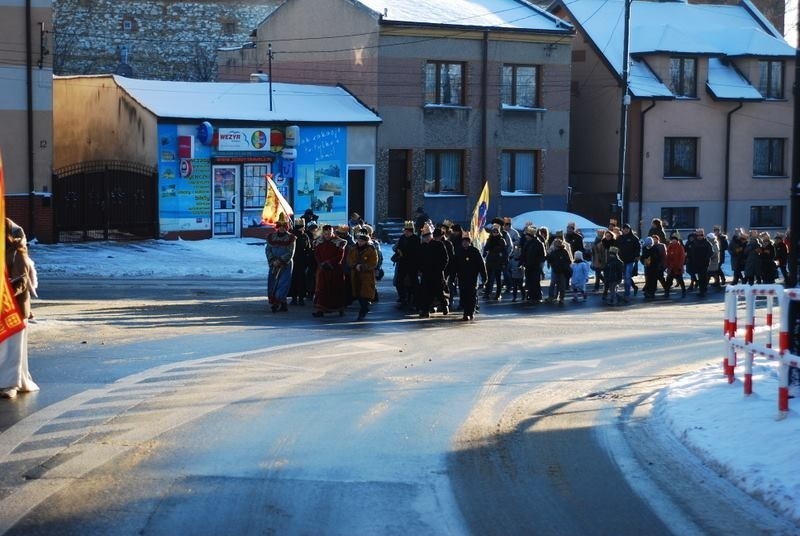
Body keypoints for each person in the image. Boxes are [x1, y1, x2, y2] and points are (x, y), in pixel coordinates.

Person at [0, 221, 39, 399]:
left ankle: (11, 384)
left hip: (14, 308)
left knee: (12, 349)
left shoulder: (17, 253)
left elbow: (22, 282)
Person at [312, 224, 347, 317]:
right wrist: (322, 264)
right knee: (321, 289)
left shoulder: (339, 242)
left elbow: (340, 255)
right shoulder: (318, 242)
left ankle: (340, 308)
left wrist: (329, 263)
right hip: (322, 270)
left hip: (335, 270)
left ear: (332, 232)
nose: (327, 235)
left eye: (329, 233)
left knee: (336, 289)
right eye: (326, 233)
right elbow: (317, 255)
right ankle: (320, 309)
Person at [417, 223, 449, 317]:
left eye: (428, 236)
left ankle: (445, 305)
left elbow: (445, 258)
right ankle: (425, 311)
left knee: (439, 292)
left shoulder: (439, 245)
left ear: (431, 235)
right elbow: (419, 260)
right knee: (426, 292)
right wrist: (421, 269)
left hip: (437, 273)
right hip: (426, 273)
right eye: (424, 236)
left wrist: (440, 269)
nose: (426, 238)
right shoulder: (422, 247)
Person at [265, 215, 296, 312]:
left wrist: (281, 260)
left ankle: (278, 302)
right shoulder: (271, 237)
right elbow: (268, 250)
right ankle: (281, 303)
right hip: (273, 264)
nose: (282, 228)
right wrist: (273, 260)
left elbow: (291, 252)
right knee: (273, 283)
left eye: (284, 226)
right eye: (280, 226)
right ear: (278, 226)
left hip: (285, 265)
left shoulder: (291, 238)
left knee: (283, 284)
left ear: (286, 227)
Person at [455, 232, 487, 321]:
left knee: (472, 295)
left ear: (469, 242)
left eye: (467, 241)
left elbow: (481, 264)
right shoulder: (458, 251)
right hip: (462, 277)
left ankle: (471, 311)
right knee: (464, 295)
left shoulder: (474, 251)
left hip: (472, 277)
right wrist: (454, 275)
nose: (465, 243)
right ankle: (466, 312)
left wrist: (484, 276)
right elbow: (454, 265)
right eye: (463, 241)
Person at [347, 231, 378, 321]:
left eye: (362, 241)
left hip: (367, 276)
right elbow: (349, 259)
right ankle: (364, 308)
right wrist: (354, 265)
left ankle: (363, 311)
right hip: (355, 274)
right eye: (359, 240)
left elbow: (374, 262)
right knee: (357, 294)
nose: (360, 242)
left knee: (365, 294)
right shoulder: (353, 248)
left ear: (366, 241)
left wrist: (363, 266)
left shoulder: (371, 249)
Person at [392, 220, 420, 310]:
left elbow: (416, 252)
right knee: (399, 281)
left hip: (412, 264)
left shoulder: (416, 239)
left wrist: (404, 252)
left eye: (407, 231)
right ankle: (403, 299)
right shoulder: (402, 237)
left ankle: (415, 301)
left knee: (414, 283)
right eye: (405, 231)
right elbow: (398, 247)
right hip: (402, 263)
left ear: (411, 231)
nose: (405, 232)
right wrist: (398, 251)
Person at [289, 218, 311, 306]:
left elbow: (308, 247)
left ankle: (300, 298)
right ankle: (295, 298)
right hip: (294, 260)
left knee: (301, 281)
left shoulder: (305, 236)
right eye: (303, 227)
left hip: (302, 261)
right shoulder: (293, 236)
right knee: (295, 280)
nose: (304, 228)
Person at [482, 224, 507, 300]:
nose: (495, 233)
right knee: (488, 278)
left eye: (496, 232)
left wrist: (503, 262)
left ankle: (498, 293)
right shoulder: (489, 239)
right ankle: (487, 292)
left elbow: (504, 252)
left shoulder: (502, 240)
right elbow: (486, 247)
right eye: (494, 232)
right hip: (490, 260)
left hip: (498, 260)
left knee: (498, 278)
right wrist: (485, 252)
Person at [617, 223, 641, 299]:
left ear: (629, 229)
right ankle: (634, 287)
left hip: (630, 261)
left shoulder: (634, 238)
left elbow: (638, 249)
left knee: (627, 276)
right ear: (622, 230)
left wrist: (636, 256)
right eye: (624, 229)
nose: (626, 230)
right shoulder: (620, 238)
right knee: (625, 277)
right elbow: (615, 247)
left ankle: (627, 293)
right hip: (621, 260)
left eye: (627, 229)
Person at [546, 238, 572, 305]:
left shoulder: (563, 252)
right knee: (555, 284)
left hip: (561, 271)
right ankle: (554, 297)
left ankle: (560, 297)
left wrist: (564, 266)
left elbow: (568, 261)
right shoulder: (554, 252)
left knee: (560, 285)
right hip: (556, 270)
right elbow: (550, 259)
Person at [665, 233, 686, 298]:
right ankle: (667, 292)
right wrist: (667, 265)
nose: (673, 241)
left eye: (675, 240)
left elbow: (682, 257)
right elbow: (667, 257)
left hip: (677, 267)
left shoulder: (680, 247)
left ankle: (683, 291)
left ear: (677, 240)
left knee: (680, 280)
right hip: (671, 267)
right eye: (672, 240)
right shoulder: (669, 246)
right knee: (669, 280)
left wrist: (680, 266)